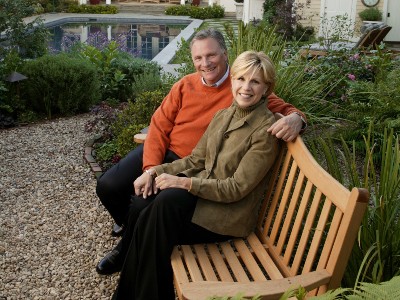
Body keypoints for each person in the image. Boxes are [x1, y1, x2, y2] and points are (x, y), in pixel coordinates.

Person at [95, 29, 306, 275]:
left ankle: (126, 248)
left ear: (225, 55)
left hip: (196, 165)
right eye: (198, 58)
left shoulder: (242, 84)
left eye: (211, 55)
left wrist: (297, 120)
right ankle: (132, 225)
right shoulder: (184, 85)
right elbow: (159, 126)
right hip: (168, 155)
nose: (205, 64)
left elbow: (288, 109)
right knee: (108, 185)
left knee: (143, 203)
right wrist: (151, 168)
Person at [112, 50, 279, 299]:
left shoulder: (265, 131)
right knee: (146, 206)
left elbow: (236, 188)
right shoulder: (223, 115)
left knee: (163, 207)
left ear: (266, 88)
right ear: (232, 80)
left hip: (227, 217)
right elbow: (195, 160)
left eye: (255, 81)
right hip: (206, 200)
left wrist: (183, 182)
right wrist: (154, 172)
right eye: (241, 79)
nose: (246, 87)